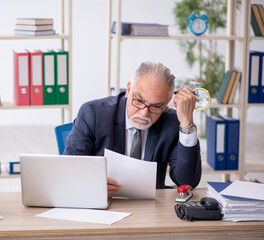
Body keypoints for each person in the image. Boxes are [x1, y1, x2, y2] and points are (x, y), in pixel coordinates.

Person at [64, 62, 201, 196]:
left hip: (149, 210)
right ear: (128, 89)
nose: (144, 113)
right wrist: (90, 184)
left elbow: (187, 181)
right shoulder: (93, 113)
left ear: (167, 102)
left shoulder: (172, 122)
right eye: (139, 101)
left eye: (156, 106)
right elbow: (69, 169)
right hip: (102, 203)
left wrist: (186, 123)